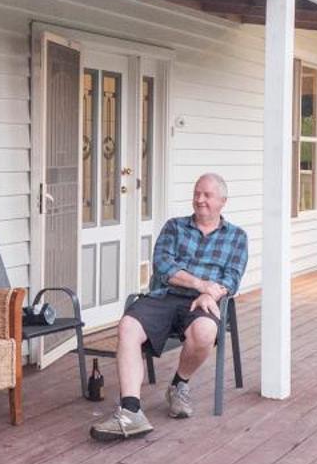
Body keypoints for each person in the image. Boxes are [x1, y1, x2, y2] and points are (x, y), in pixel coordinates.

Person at [90, 172, 249, 442]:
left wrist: (212, 295)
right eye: (197, 193)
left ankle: (179, 384)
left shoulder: (236, 237)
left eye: (207, 195)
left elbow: (231, 277)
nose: (200, 200)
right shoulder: (174, 227)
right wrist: (202, 286)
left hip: (203, 302)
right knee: (128, 325)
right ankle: (131, 411)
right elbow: (164, 268)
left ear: (223, 201)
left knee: (205, 332)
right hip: (167, 295)